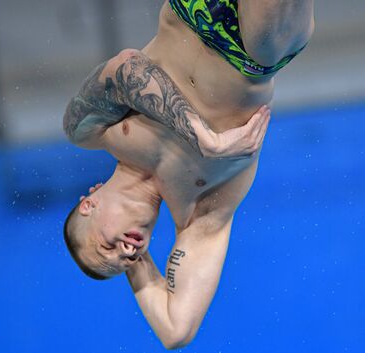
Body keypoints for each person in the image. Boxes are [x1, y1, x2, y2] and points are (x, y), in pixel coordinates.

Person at [62, 0, 314, 349]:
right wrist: (136, 267)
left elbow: (124, 68)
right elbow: (175, 332)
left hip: (190, 8)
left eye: (107, 246)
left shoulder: (91, 132)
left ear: (89, 204)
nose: (123, 253)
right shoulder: (199, 212)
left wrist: (202, 138)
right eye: (123, 262)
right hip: (252, 47)